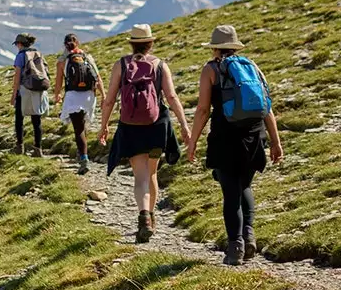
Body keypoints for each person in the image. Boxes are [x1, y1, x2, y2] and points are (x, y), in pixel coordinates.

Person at [186, 25, 285, 265]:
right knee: (245, 186)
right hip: (254, 136)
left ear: (215, 49)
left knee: (230, 192)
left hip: (225, 138)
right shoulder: (252, 66)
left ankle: (235, 247)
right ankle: (249, 236)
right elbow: (267, 107)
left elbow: (202, 110)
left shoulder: (210, 70)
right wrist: (275, 141)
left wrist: (192, 141)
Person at [98, 24, 188, 242]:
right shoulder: (160, 65)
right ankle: (151, 216)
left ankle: (144, 217)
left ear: (131, 43)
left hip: (131, 127)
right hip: (157, 126)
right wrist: (185, 125)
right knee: (152, 172)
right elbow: (172, 97)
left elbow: (109, 100)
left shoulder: (121, 65)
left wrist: (104, 125)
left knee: (140, 176)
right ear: (150, 43)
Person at [53, 33, 104, 174]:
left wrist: (57, 94)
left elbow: (59, 82)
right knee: (83, 125)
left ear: (65, 45)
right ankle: (81, 153)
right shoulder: (87, 57)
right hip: (89, 96)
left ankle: (84, 159)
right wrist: (104, 95)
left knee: (78, 128)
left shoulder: (62, 61)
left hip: (73, 96)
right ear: (78, 43)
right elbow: (97, 77)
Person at [8, 33, 51, 156]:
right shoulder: (38, 53)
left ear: (20, 44)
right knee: (36, 120)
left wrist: (13, 95)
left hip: (24, 89)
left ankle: (19, 147)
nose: (17, 46)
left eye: (17, 44)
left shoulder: (21, 56)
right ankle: (38, 148)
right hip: (38, 89)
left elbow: (17, 77)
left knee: (19, 119)